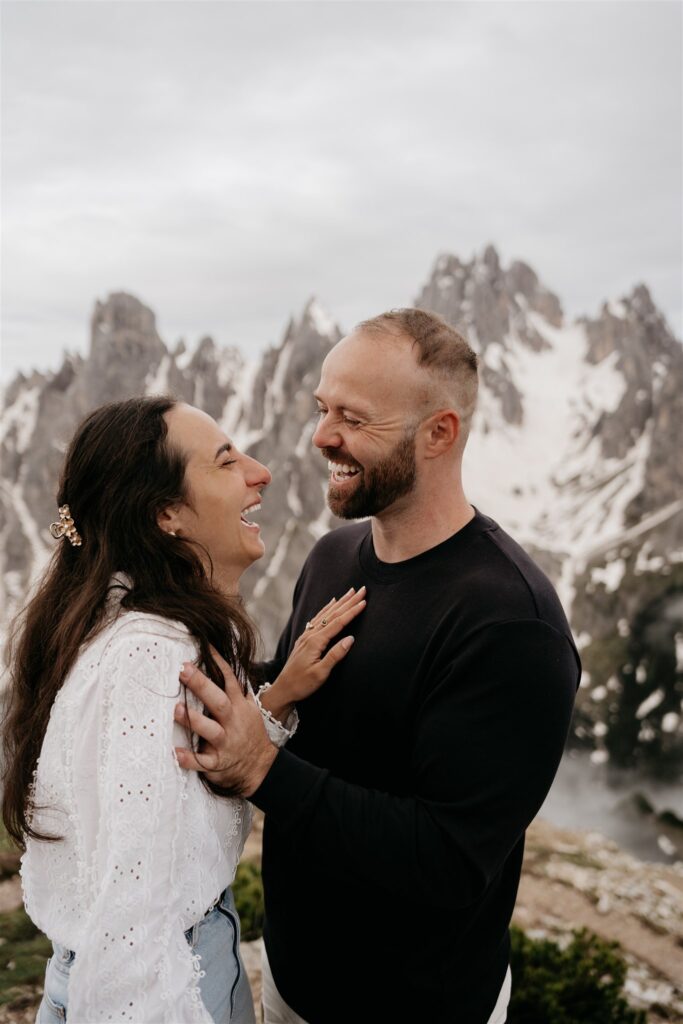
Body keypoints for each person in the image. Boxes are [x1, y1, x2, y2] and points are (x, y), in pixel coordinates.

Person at [175, 309, 581, 1024]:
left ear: (439, 433)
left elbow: (449, 860)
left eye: (353, 418)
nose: (321, 436)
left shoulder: (511, 623)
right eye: (321, 409)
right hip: (294, 981)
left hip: (418, 1006)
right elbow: (331, 720)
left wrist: (263, 771)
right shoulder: (333, 556)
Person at [1, 396, 365, 1023]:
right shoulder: (152, 659)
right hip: (172, 981)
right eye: (225, 462)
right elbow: (134, 922)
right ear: (166, 514)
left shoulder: (116, 615)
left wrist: (272, 700)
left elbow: (180, 792)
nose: (261, 472)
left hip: (137, 966)